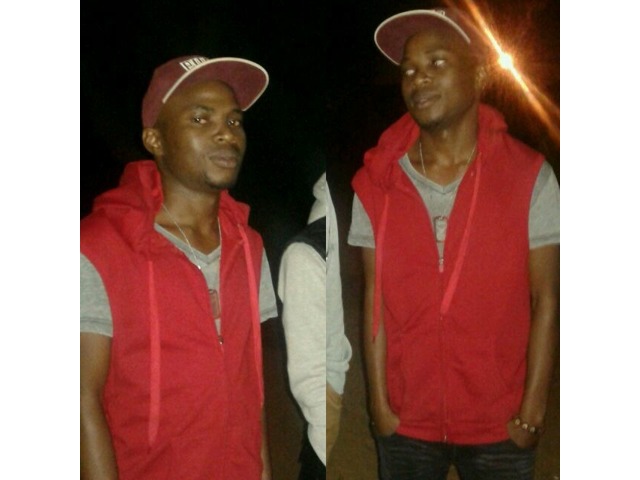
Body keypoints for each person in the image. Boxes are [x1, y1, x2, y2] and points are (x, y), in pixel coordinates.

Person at [348, 8, 559, 480]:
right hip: (407, 423)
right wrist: (379, 405)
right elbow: (373, 298)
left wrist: (532, 409)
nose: (418, 78)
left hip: (499, 424)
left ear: (477, 74)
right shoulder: (376, 182)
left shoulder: (529, 176)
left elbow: (546, 298)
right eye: (408, 69)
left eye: (437, 62)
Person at [80, 55, 278, 480]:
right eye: (201, 119)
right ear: (155, 140)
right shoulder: (97, 247)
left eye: (234, 121)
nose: (226, 133)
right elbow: (80, 399)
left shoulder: (249, 246)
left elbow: (251, 382)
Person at [277, 173, 352, 478]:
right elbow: (308, 373)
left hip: (334, 387)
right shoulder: (305, 252)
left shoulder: (330, 228)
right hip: (325, 405)